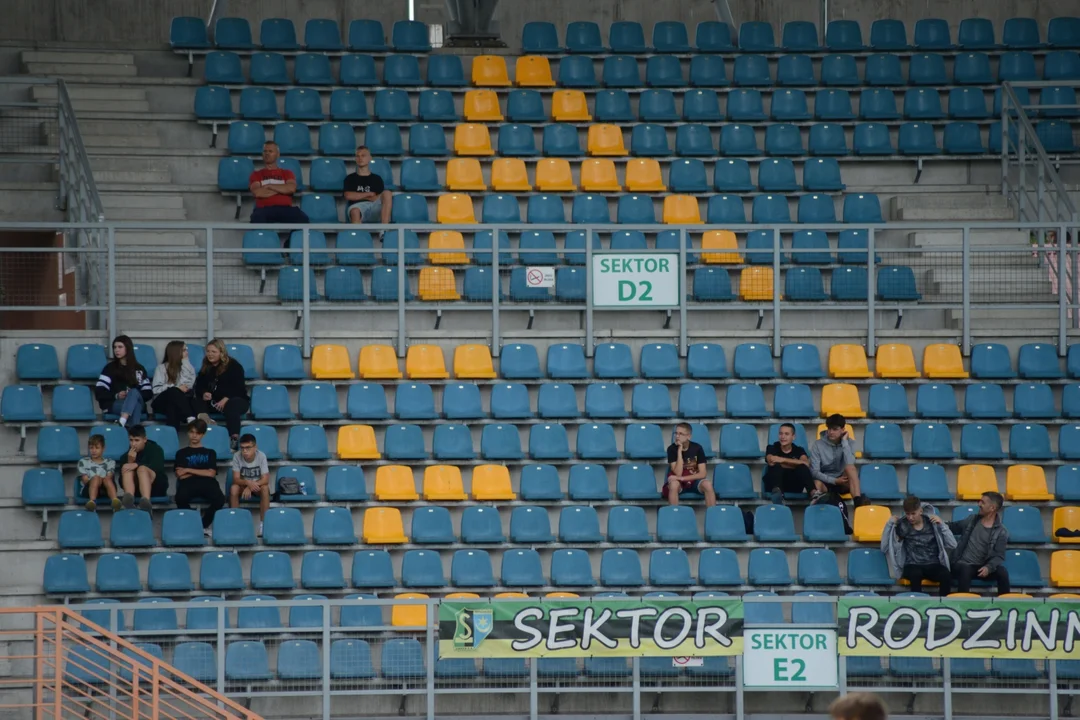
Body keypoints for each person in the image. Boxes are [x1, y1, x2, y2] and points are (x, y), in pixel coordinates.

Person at [882, 495, 957, 596]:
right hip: (912, 564)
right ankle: (917, 605)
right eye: (907, 514)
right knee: (915, 574)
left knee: (946, 575)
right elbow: (884, 547)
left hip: (932, 563)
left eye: (913, 513)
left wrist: (942, 525)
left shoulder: (932, 523)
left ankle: (943, 604)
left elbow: (953, 544)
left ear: (920, 511)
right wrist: (889, 524)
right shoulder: (903, 525)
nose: (910, 517)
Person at [947, 491, 1010, 594]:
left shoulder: (1002, 531)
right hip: (962, 564)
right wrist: (939, 523)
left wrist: (988, 567)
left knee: (1002, 572)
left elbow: (999, 555)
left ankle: (1005, 605)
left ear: (992, 508)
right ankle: (962, 604)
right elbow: (953, 527)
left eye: (983, 502)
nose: (979, 504)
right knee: (965, 569)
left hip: (982, 567)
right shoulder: (972, 520)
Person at [192, 339, 250, 449]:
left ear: (221, 352)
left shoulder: (234, 366)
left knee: (232, 405)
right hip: (214, 402)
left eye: (213, 352)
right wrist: (204, 393)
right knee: (194, 400)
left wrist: (226, 398)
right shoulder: (206, 366)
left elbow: (239, 388)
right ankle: (206, 419)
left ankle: (234, 438)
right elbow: (199, 385)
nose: (210, 354)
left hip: (235, 400)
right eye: (208, 351)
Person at [173, 419, 225, 537]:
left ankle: (202, 524)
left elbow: (211, 474)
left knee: (220, 499)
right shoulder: (181, 453)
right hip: (188, 483)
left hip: (208, 483)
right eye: (192, 432)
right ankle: (196, 524)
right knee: (180, 498)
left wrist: (188, 469)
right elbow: (180, 475)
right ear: (188, 433)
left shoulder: (210, 452)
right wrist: (202, 471)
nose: (194, 436)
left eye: (198, 433)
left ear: (203, 434)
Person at [810, 414, 869, 506]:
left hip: (843, 481)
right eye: (829, 429)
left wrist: (844, 442)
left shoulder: (849, 443)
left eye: (835, 429)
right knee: (816, 483)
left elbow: (850, 462)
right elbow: (814, 472)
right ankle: (819, 511)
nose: (831, 432)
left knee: (850, 468)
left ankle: (858, 502)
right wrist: (834, 480)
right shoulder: (817, 445)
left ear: (843, 430)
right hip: (825, 481)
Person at [94, 335, 152, 427]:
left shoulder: (139, 369)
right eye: (115, 347)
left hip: (137, 401)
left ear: (128, 348)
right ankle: (133, 436)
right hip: (115, 403)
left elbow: (148, 392)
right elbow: (99, 392)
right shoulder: (109, 368)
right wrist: (116, 395)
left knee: (133, 393)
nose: (116, 350)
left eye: (120, 347)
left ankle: (122, 421)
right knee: (135, 406)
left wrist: (133, 395)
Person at [248, 141, 310, 225]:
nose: (267, 154)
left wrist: (269, 186)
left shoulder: (287, 173)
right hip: (264, 209)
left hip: (285, 209)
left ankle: (291, 239)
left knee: (303, 218)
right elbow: (258, 193)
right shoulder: (256, 175)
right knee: (256, 218)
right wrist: (282, 189)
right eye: (265, 151)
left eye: (270, 151)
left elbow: (291, 189)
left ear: (277, 154)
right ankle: (265, 238)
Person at [763, 423, 818, 505]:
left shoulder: (799, 450)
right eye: (781, 433)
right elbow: (771, 461)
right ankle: (779, 497)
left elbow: (806, 464)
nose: (783, 437)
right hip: (775, 485)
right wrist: (794, 463)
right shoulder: (772, 447)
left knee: (802, 468)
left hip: (793, 484)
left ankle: (814, 494)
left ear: (793, 437)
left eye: (786, 434)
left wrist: (782, 460)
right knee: (776, 467)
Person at [117, 424, 167, 512]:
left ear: (144, 439)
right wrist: (130, 462)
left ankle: (146, 503)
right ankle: (129, 501)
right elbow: (121, 481)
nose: (133, 444)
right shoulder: (125, 456)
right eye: (131, 440)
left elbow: (158, 467)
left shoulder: (156, 449)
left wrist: (137, 464)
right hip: (136, 489)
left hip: (156, 486)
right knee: (126, 466)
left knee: (142, 469)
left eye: (137, 440)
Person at [665, 422, 715, 507]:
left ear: (689, 436)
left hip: (694, 481)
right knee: (673, 485)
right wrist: (679, 451)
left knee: (708, 484)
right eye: (676, 433)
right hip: (679, 483)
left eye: (681, 434)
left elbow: (703, 473)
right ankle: (674, 515)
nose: (677, 436)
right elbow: (678, 473)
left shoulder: (697, 448)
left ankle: (713, 516)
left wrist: (682, 478)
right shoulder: (671, 449)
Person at [344, 146, 392, 232]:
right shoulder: (350, 178)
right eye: (358, 156)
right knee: (355, 211)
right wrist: (368, 194)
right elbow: (348, 195)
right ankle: (358, 237)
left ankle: (384, 231)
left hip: (374, 208)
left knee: (387, 193)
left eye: (363, 155)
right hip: (357, 207)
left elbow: (376, 198)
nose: (360, 158)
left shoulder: (377, 178)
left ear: (369, 158)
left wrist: (358, 196)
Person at [231, 433, 270, 536]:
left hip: (257, 486)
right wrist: (247, 483)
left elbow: (265, 479)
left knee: (265, 488)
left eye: (248, 448)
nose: (244, 451)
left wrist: (251, 486)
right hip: (243, 486)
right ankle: (235, 524)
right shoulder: (237, 456)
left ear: (255, 447)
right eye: (242, 448)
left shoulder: (261, 456)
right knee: (234, 488)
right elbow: (236, 479)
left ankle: (263, 525)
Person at [151, 340, 197, 429]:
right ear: (176, 352)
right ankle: (189, 416)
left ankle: (172, 435)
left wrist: (185, 363)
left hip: (178, 402)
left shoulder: (189, 367)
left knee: (173, 407)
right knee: (173, 391)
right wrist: (175, 388)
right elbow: (156, 390)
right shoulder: (161, 368)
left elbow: (188, 385)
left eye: (186, 349)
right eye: (184, 350)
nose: (187, 352)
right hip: (161, 401)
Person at [77, 434, 120, 511]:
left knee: (106, 479)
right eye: (91, 448)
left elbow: (109, 476)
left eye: (97, 448)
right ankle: (92, 502)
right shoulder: (83, 462)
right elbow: (85, 480)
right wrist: (97, 479)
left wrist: (100, 480)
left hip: (105, 489)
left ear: (103, 448)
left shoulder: (110, 462)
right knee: (96, 478)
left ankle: (115, 501)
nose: (93, 451)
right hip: (89, 489)